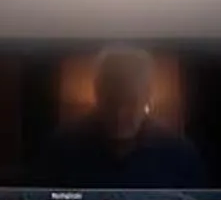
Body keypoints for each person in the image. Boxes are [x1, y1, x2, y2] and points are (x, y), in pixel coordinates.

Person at [36, 46, 207, 190]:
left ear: (147, 95)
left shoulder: (180, 154)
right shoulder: (61, 149)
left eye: (131, 102)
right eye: (111, 101)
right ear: (97, 93)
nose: (120, 113)